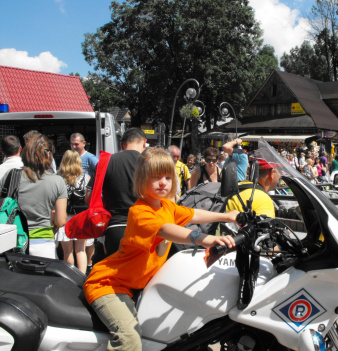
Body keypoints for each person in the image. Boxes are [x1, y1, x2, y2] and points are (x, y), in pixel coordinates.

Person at [84, 148, 238, 350]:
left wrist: (227, 216)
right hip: (108, 285)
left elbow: (193, 214)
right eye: (156, 177)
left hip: (135, 286)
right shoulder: (140, 212)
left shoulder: (165, 206)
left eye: (167, 176)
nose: (163, 182)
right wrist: (206, 239)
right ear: (141, 180)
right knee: (129, 338)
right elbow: (167, 230)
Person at [0, 134, 67, 258]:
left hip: (14, 242)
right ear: (48, 155)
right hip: (43, 244)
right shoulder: (57, 181)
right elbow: (61, 220)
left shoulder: (11, 175)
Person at [86, 128, 147, 261]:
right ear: (144, 143)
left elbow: (89, 197)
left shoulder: (106, 162)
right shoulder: (151, 163)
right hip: (144, 226)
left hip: (115, 227)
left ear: (122, 145)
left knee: (114, 274)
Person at [55, 150, 90, 274]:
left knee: (67, 251)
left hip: (64, 217)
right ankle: (82, 278)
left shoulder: (58, 178)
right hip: (81, 218)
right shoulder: (86, 178)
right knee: (81, 250)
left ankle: (69, 278)